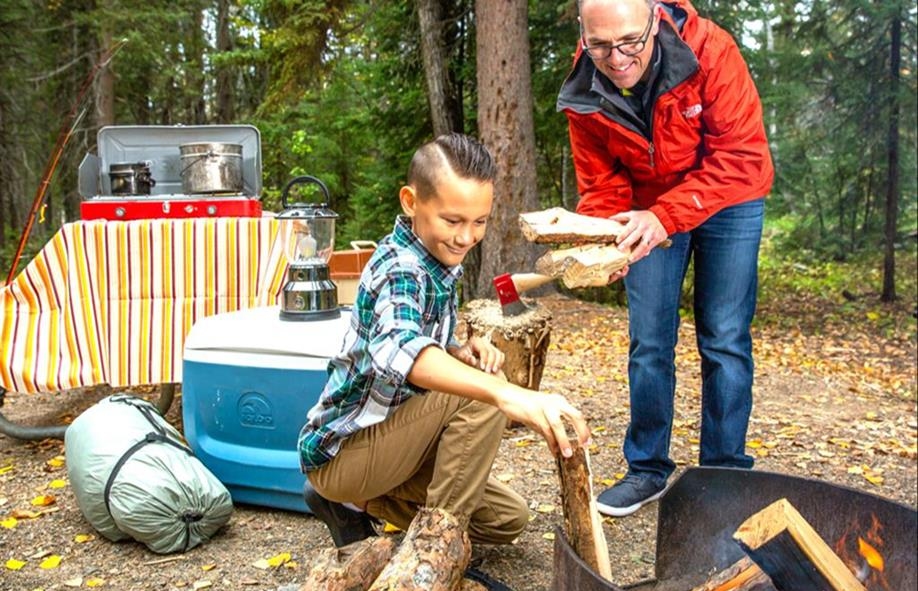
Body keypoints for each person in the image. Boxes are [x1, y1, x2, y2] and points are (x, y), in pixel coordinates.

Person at [298, 133, 592, 551]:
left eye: (480, 222)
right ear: (410, 202)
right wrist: (505, 394)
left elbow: (416, 347)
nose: (466, 237)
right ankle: (433, 552)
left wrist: (458, 351)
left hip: (396, 445)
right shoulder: (400, 268)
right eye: (452, 221)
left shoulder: (437, 263)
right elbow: (401, 347)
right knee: (486, 394)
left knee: (508, 520)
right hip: (346, 452)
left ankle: (355, 503)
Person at [557, 0, 774, 517]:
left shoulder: (712, 50)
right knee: (650, 337)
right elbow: (602, 180)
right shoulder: (584, 82)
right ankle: (648, 469)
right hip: (646, 205)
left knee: (724, 335)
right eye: (601, 44)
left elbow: (741, 156)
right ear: (584, 34)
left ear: (655, 19)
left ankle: (721, 476)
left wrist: (666, 217)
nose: (617, 58)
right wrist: (611, 240)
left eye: (630, 41)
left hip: (730, 194)